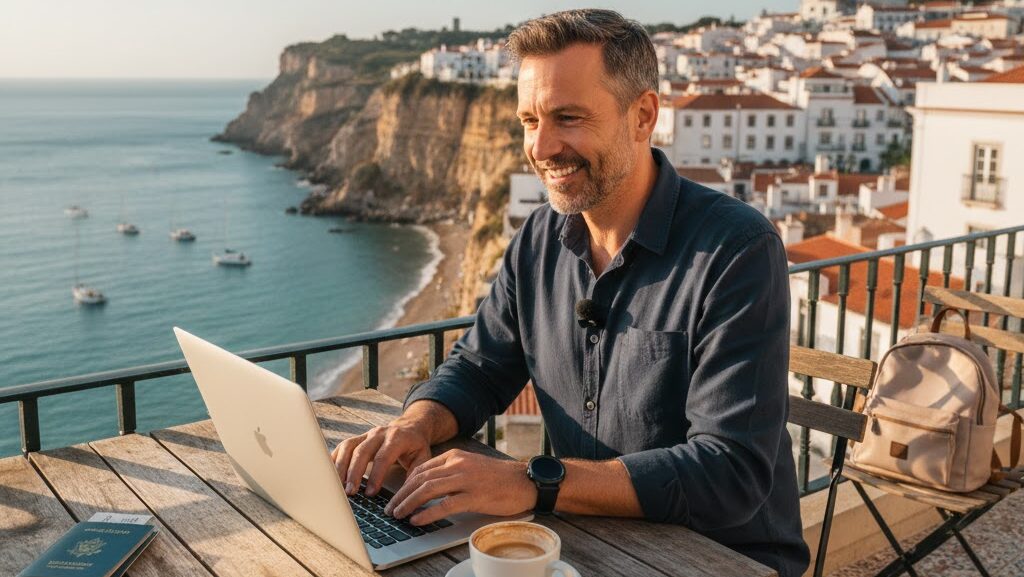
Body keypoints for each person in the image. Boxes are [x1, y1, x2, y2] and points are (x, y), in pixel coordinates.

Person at [332, 9, 810, 576]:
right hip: (585, 539)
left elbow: (731, 471)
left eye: (569, 117)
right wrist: (417, 423)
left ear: (643, 116)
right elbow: (480, 368)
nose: (543, 145)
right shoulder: (539, 237)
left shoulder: (738, 249)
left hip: (721, 557)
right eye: (529, 120)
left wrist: (530, 480)